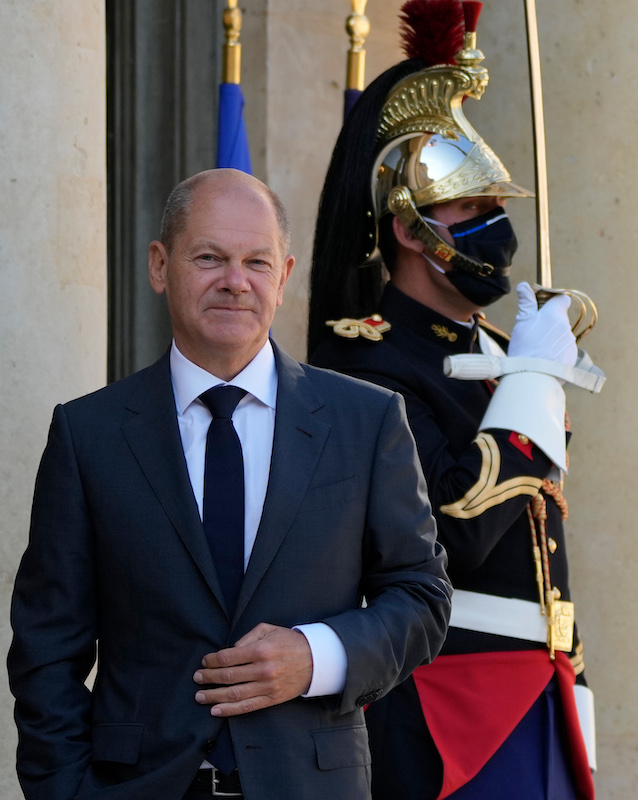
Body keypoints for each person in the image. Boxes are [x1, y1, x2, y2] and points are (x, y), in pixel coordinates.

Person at [7, 168, 452, 800]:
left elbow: (422, 598)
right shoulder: (89, 434)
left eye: (256, 262)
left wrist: (315, 655)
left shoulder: (367, 420)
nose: (234, 282)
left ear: (285, 275)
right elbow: (46, 646)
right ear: (160, 266)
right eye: (209, 257)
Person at [308, 1, 596, 798]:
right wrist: (536, 384)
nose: (495, 228)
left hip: (543, 692)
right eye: (472, 210)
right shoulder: (363, 362)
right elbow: (457, 528)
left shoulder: (503, 355)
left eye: (496, 209)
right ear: (410, 228)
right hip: (451, 702)